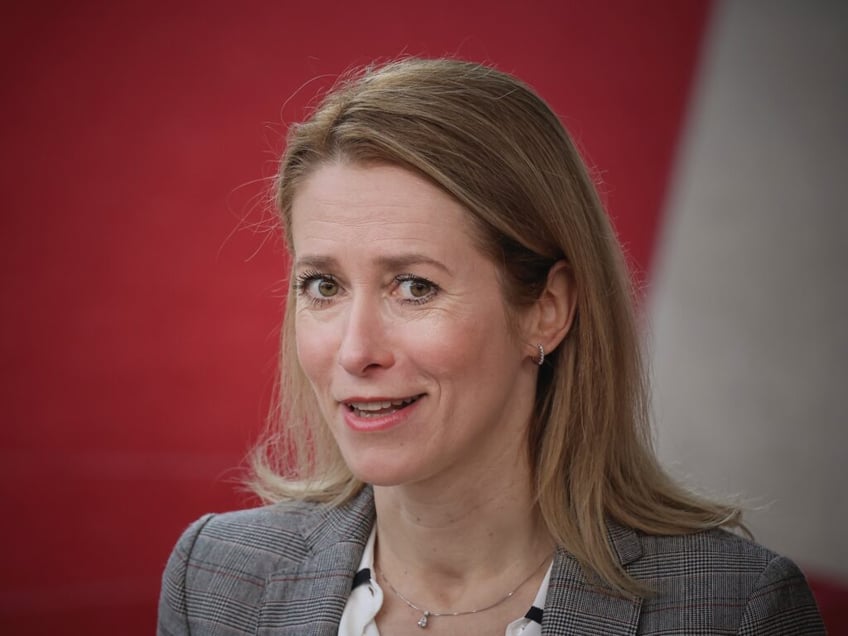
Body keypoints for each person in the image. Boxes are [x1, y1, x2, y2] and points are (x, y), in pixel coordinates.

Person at [158, 58, 825, 635]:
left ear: (548, 309)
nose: (355, 350)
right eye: (323, 285)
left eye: (414, 286)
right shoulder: (217, 583)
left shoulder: (733, 614)